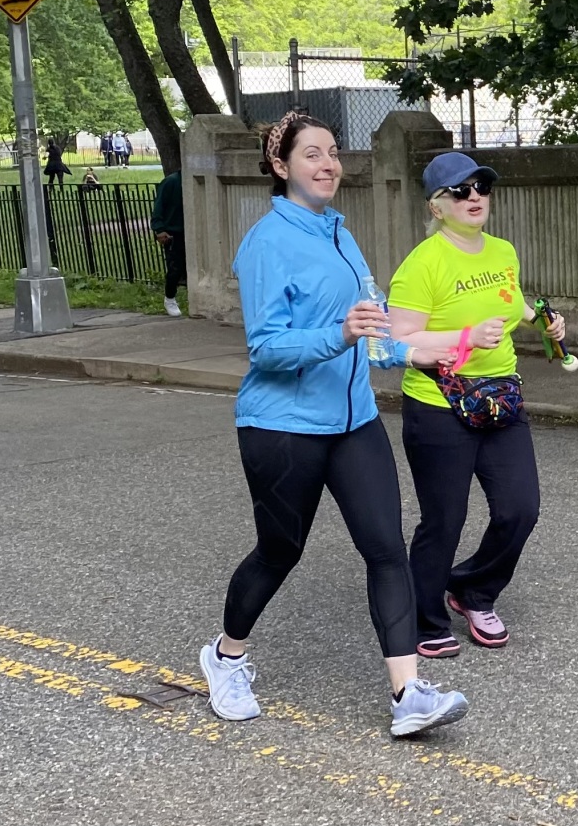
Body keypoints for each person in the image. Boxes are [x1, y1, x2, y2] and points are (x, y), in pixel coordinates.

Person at [198, 112, 469, 738]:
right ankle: (226, 656)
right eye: (312, 154)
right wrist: (337, 333)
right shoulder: (267, 241)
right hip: (282, 425)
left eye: (333, 153)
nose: (328, 165)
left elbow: (370, 332)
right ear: (280, 166)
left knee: (386, 548)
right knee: (279, 551)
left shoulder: (340, 235)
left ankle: (408, 694)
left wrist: (423, 352)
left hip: (354, 422)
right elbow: (266, 348)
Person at [387, 152, 566, 659]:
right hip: (439, 402)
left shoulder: (503, 252)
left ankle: (472, 590)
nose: (474, 198)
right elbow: (398, 338)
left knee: (520, 510)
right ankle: (426, 619)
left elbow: (511, 302)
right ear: (436, 206)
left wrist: (541, 320)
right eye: (459, 191)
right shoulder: (423, 264)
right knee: (444, 519)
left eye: (481, 188)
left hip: (499, 397)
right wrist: (465, 335)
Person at [150, 170, 185, 317]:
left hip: (191, 229)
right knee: (174, 268)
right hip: (173, 232)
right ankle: (170, 298)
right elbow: (159, 207)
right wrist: (159, 229)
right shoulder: (171, 182)